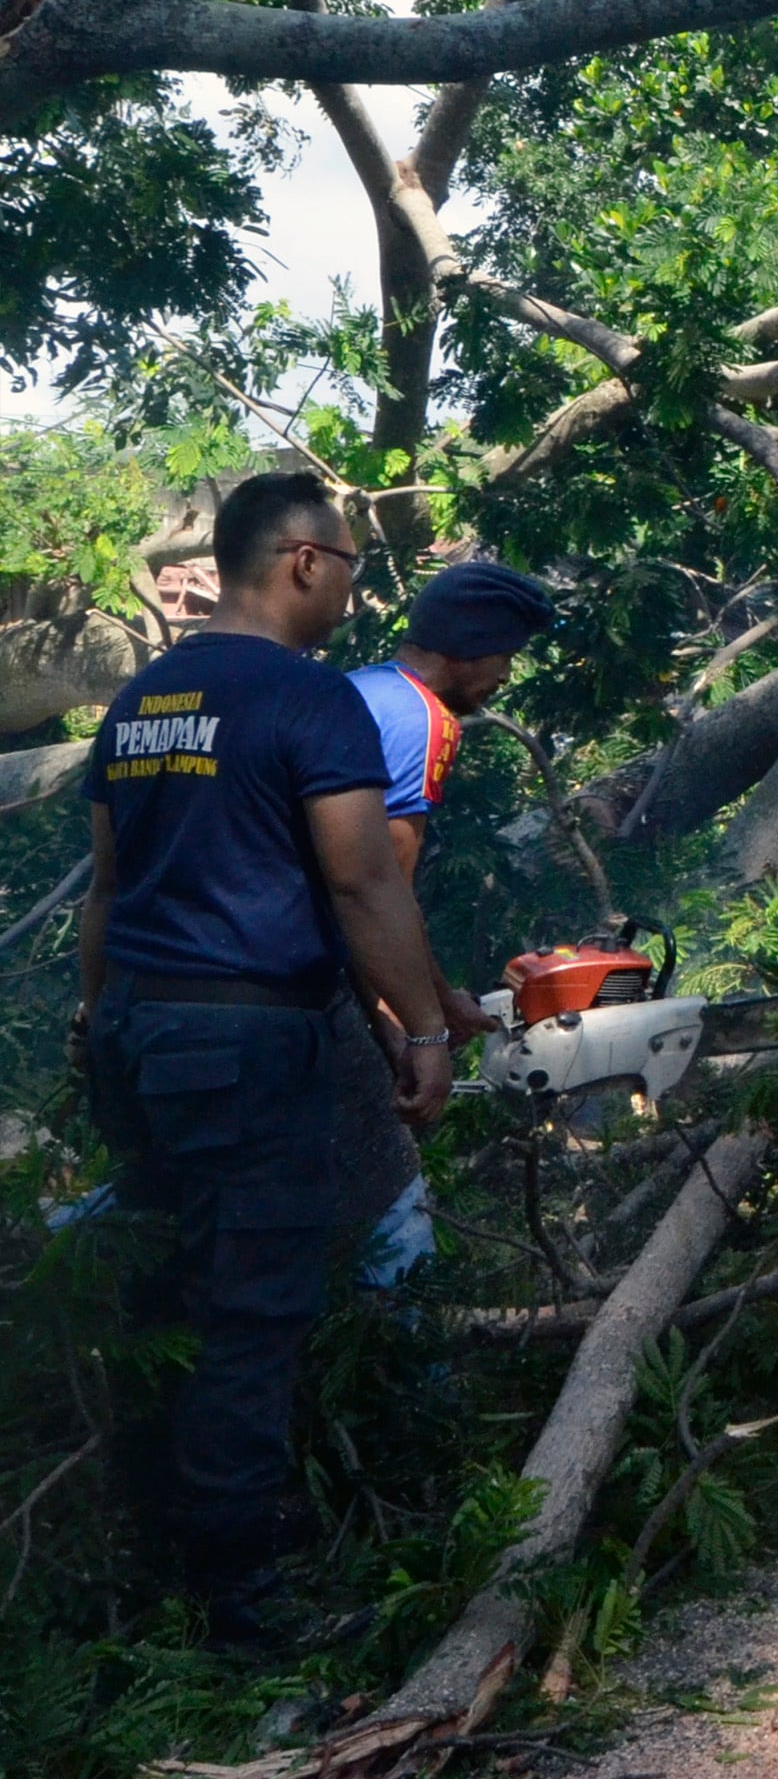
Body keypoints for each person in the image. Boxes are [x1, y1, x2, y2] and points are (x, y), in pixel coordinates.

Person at [75, 473, 457, 1643]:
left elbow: (107, 891)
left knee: (169, 1293)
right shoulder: (309, 697)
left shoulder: (140, 701)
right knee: (252, 1314)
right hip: (242, 1041)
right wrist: (424, 1032)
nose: (352, 591)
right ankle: (241, 1605)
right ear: (301, 561)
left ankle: (136, 1556)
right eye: (349, 567)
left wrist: (95, 1031)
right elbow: (363, 879)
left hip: (138, 1031)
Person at [332, 559, 555, 1281]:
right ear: (468, 646)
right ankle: (407, 1337)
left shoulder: (356, 688)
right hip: (310, 992)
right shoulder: (424, 718)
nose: (505, 676)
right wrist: (414, 1024)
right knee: (388, 1196)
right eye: (504, 656)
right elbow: (380, 892)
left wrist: (438, 997)